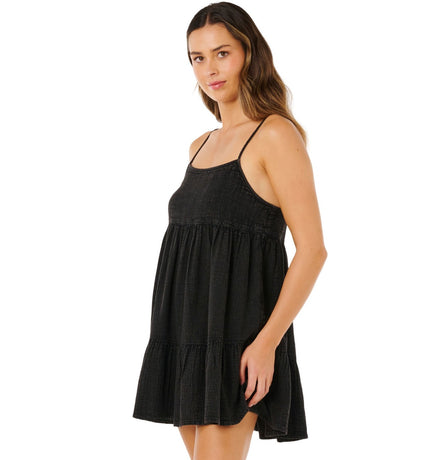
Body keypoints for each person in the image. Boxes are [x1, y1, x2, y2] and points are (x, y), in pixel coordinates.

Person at [132, 2, 327, 459]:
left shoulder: (275, 135)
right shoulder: (200, 145)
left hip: (236, 338)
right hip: (184, 335)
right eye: (198, 58)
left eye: (222, 53)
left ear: (248, 53)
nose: (210, 69)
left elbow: (313, 250)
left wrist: (266, 343)